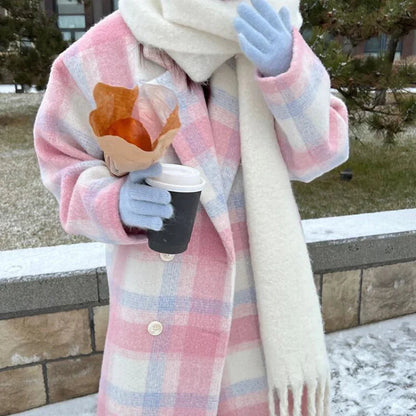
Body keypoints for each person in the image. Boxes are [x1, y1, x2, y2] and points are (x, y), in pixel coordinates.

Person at [34, 0, 349, 415]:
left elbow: (320, 153)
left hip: (255, 320)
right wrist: (115, 202)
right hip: (158, 322)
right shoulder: (103, 51)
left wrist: (287, 70)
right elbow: (60, 160)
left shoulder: (262, 33)